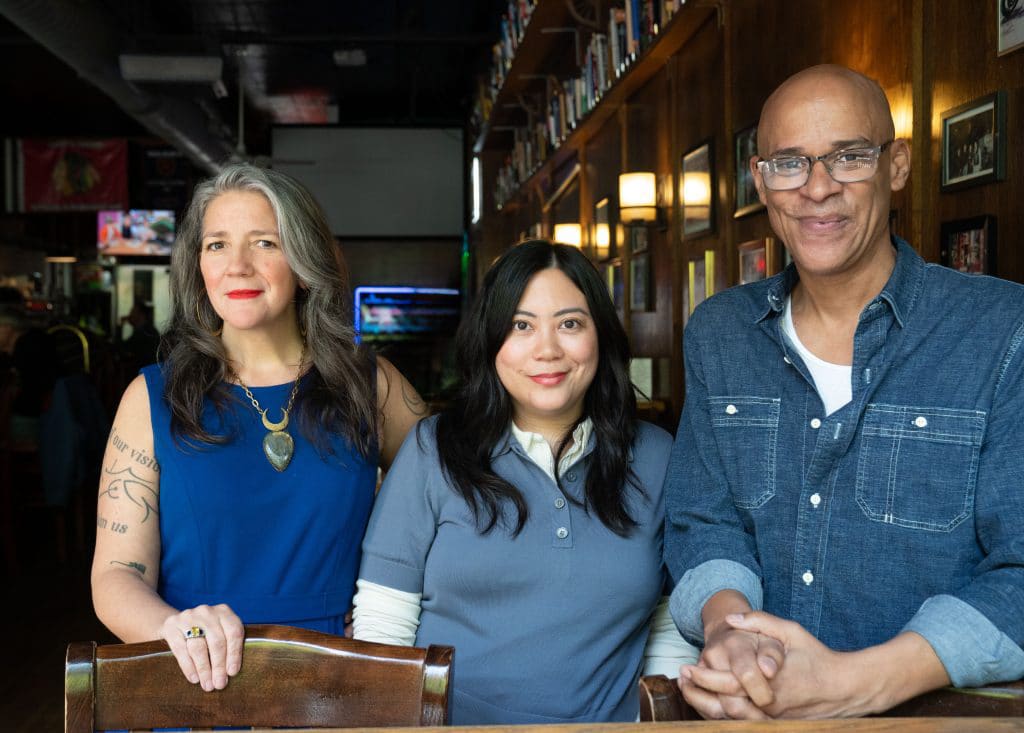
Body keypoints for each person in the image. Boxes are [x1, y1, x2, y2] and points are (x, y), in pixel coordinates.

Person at [665, 64, 1024, 720]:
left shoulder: (1004, 331)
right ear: (760, 180)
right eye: (789, 162)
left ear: (897, 166)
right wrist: (731, 633)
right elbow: (702, 521)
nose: (817, 188)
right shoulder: (720, 333)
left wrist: (852, 683)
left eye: (849, 157)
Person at [92, 163, 426, 693]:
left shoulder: (372, 384)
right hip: (195, 680)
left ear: (303, 259)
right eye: (217, 245)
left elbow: (454, 510)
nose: (237, 266)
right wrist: (173, 629)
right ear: (197, 264)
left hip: (341, 679)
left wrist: (392, 613)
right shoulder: (151, 397)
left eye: (265, 243)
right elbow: (116, 576)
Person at [353, 240, 697, 724]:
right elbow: (383, 625)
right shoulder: (434, 448)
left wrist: (656, 720)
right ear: (492, 340)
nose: (548, 349)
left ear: (601, 335)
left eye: (570, 324)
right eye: (521, 326)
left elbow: (671, 615)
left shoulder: (657, 455)